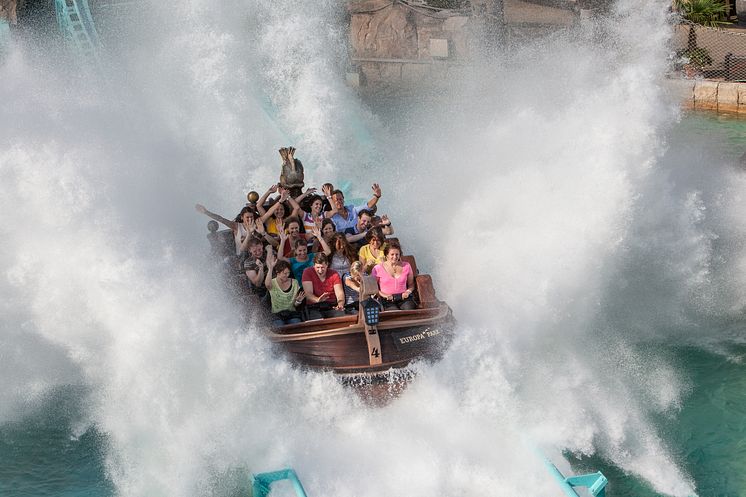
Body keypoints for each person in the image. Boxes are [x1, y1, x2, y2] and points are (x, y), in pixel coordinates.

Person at [371, 241, 416, 310]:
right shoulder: (377, 268)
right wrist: (385, 295)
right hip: (386, 299)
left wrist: (407, 292)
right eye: (392, 254)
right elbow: (374, 288)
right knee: (393, 312)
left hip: (403, 298)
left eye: (397, 254)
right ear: (387, 255)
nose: (395, 257)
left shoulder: (406, 265)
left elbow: (411, 285)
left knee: (409, 308)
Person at [264, 252, 305, 326]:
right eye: (284, 273)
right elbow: (267, 284)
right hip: (277, 315)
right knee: (279, 326)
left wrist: (298, 301)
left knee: (296, 325)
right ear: (278, 273)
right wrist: (270, 268)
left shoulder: (294, 283)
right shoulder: (272, 283)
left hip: (292, 314)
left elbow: (295, 305)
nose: (287, 275)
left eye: (288, 273)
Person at [301, 253, 346, 319]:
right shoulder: (307, 272)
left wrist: (340, 304)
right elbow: (308, 294)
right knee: (317, 319)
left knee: (340, 315)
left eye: (322, 267)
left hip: (331, 305)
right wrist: (317, 300)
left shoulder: (334, 274)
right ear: (314, 265)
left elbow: (339, 293)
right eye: (317, 267)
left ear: (327, 265)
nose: (320, 270)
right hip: (314, 306)